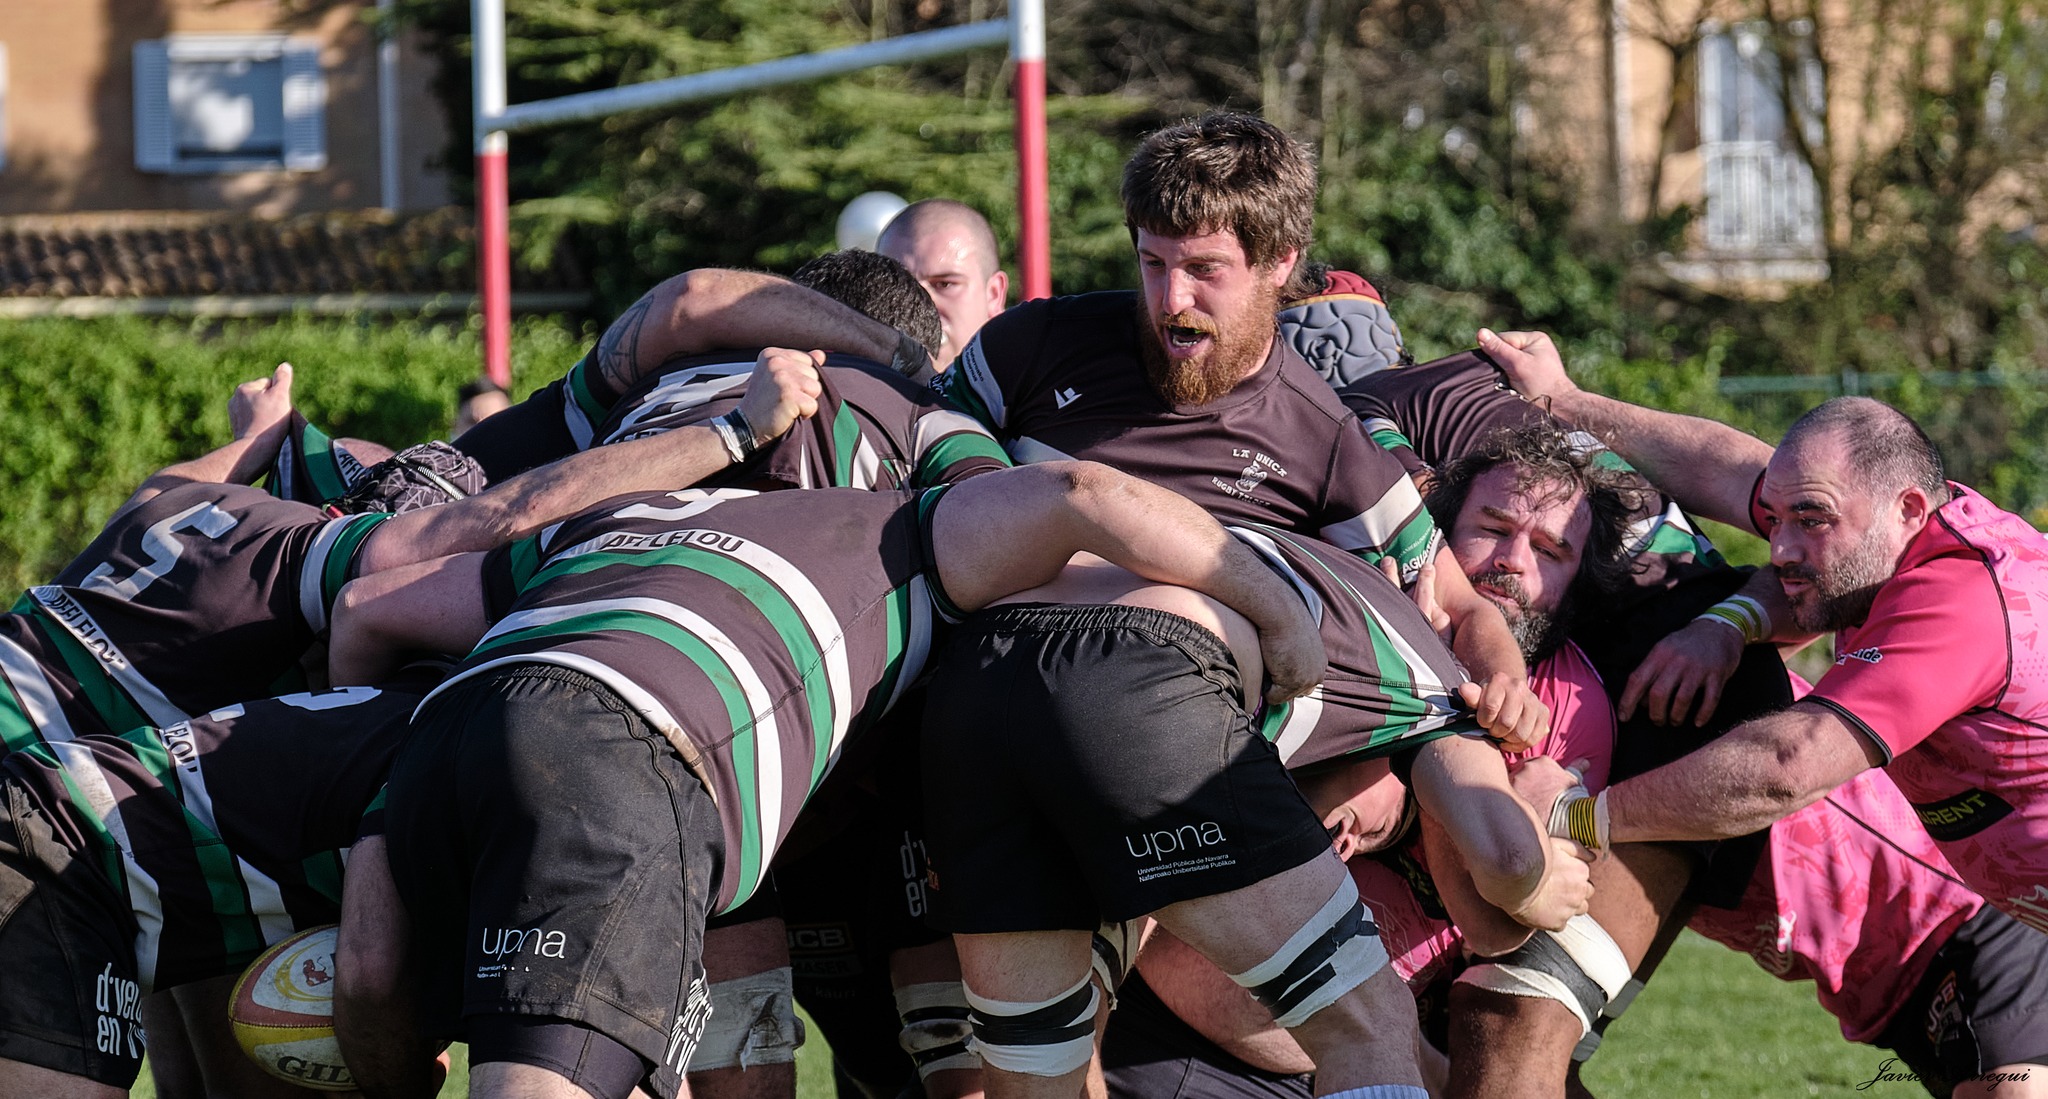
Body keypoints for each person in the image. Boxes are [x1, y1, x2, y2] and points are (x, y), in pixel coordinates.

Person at [325, 461, 1331, 1099]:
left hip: (445, 733)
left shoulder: (617, 520)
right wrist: (1279, 617)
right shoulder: (888, 526)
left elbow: (369, 607)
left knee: (441, 1012)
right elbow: (1083, 496)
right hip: (631, 738)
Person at [1094, 421, 1639, 1099]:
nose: (1512, 560)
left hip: (1350, 1047)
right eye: (1493, 526)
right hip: (1176, 1020)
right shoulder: (1344, 604)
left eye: (1551, 550)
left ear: (1578, 583)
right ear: (1434, 534)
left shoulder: (1571, 705)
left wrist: (1433, 713)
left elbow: (1501, 922)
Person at [1494, 344, 2048, 943]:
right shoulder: (1884, 526)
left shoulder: (1964, 599)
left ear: (1908, 509)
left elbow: (1785, 767)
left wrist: (1575, 815)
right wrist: (1567, 398)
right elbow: (1721, 469)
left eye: (1810, 520)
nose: (1780, 547)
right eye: (1776, 519)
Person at [0, 677, 439, 1098]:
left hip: (73, 834)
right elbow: (370, 977)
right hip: (60, 842)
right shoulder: (435, 757)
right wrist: (396, 1071)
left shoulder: (419, 716)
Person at [877, 199, 1009, 369]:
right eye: (898, 285)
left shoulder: (1040, 392)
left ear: (993, 295)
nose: (918, 306)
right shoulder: (842, 390)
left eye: (944, 284)